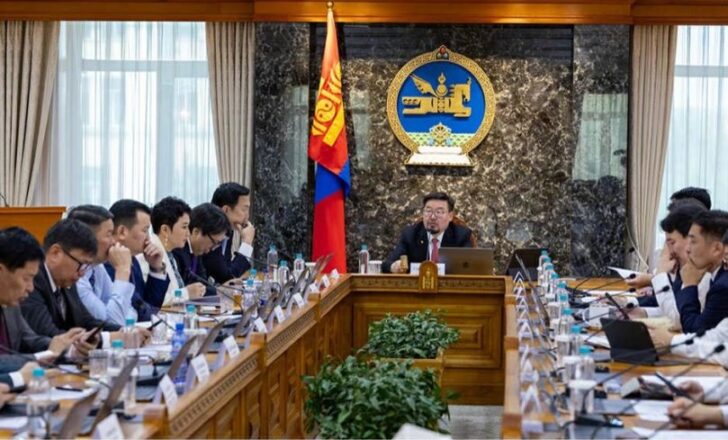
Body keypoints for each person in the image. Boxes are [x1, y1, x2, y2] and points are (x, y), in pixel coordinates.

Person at [0, 227, 87, 388]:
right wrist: (39, 359)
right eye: (26, 279)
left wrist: (69, 348)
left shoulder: (9, 303)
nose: (30, 288)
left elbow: (31, 341)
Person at [21, 219, 121, 339]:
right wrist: (106, 339)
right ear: (55, 253)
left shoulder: (66, 279)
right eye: (81, 264)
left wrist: (124, 331)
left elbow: (87, 321)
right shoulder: (32, 281)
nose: (82, 273)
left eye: (86, 267)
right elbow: (49, 335)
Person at [628, 202, 709, 329]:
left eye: (672, 242)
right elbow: (677, 310)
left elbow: (679, 319)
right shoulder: (687, 270)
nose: (669, 252)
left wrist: (660, 274)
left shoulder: (707, 275)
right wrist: (642, 312)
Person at [627, 186, 713, 290]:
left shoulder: (709, 276)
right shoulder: (683, 262)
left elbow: (678, 300)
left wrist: (658, 277)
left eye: (672, 242)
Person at [68, 205, 136, 326]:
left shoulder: (96, 267)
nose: (114, 242)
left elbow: (130, 314)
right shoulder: (75, 277)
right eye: (109, 234)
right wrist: (122, 270)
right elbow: (114, 323)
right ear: (88, 238)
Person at [107, 199, 170, 321]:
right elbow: (141, 313)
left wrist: (156, 268)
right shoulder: (106, 262)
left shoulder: (133, 260)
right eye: (145, 230)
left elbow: (149, 305)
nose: (148, 239)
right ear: (122, 231)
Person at [384, 192, 473, 273]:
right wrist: (394, 266)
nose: (433, 217)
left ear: (450, 216)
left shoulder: (461, 236)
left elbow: (470, 267)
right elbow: (387, 264)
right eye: (428, 211)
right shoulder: (410, 234)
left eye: (439, 212)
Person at [671, 210, 728, 333]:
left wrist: (689, 285)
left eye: (693, 241)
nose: (688, 249)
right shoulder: (718, 276)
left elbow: (696, 331)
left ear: (717, 249)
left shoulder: (723, 287)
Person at [148, 196, 205, 304]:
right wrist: (187, 293)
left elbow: (172, 293)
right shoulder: (150, 253)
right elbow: (154, 299)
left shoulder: (170, 254)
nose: (188, 233)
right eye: (184, 227)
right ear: (165, 230)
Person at [201, 182, 254, 283]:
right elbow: (227, 278)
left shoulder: (228, 231)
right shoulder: (209, 233)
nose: (247, 216)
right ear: (226, 210)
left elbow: (228, 272)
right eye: (244, 209)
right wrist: (247, 243)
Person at [172, 203, 230, 294]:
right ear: (196, 232)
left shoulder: (197, 250)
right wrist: (221, 292)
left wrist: (223, 291)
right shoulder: (178, 250)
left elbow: (203, 284)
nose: (213, 248)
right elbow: (186, 286)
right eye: (213, 242)